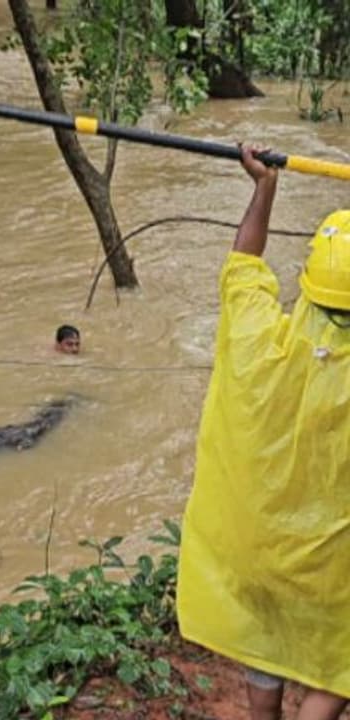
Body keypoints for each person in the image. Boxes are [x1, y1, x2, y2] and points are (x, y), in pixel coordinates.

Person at [176, 145, 350, 720]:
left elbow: (243, 265)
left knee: (266, 639)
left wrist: (264, 188)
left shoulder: (258, 339)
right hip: (329, 568)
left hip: (256, 553)